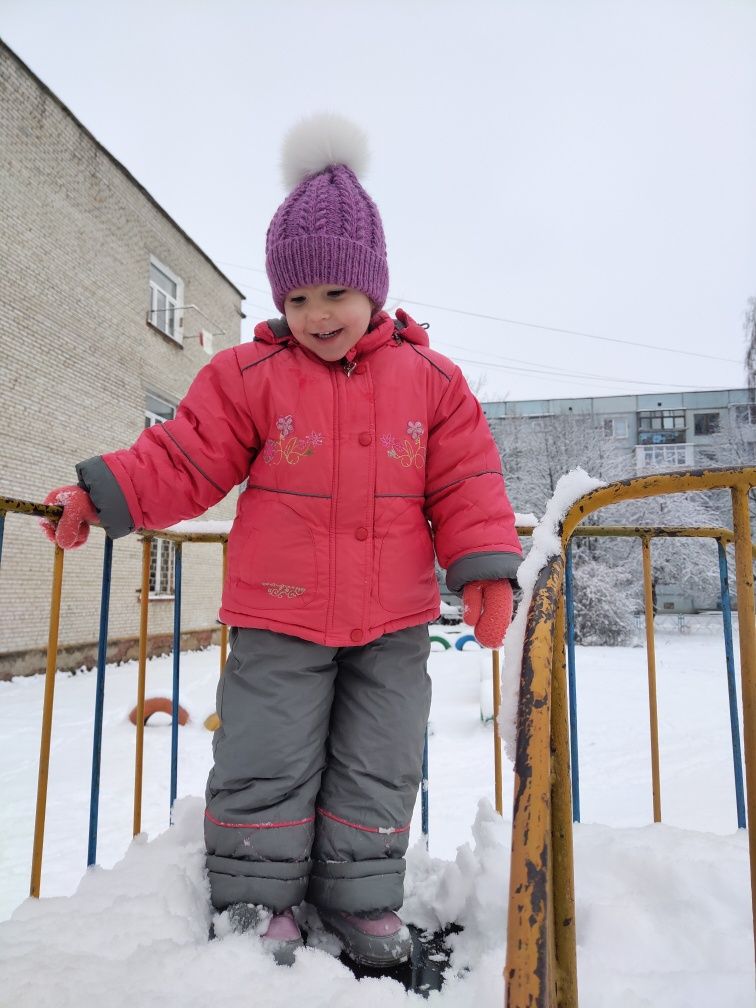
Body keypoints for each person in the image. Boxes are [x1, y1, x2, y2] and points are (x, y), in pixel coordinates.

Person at [40, 114, 522, 968]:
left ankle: (364, 902)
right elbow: (183, 456)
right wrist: (100, 494)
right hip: (278, 616)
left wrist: (483, 568)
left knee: (377, 762)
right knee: (265, 758)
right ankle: (258, 905)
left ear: (373, 286)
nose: (316, 314)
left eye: (334, 293)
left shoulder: (432, 382)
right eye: (295, 298)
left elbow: (467, 482)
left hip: (394, 619)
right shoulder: (250, 378)